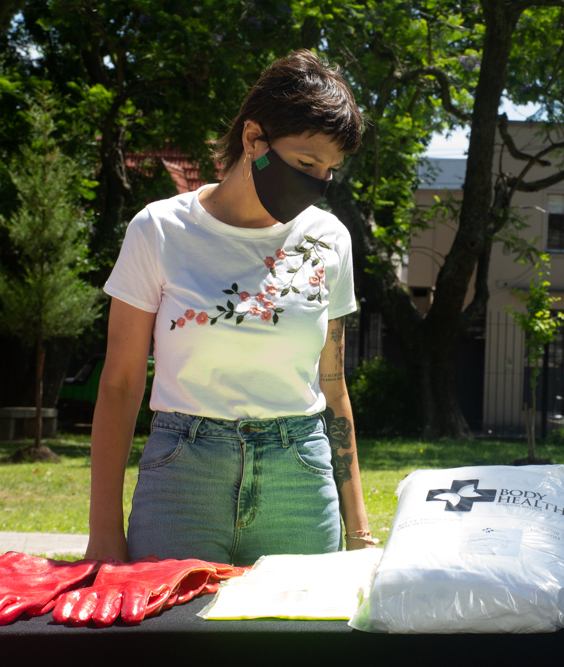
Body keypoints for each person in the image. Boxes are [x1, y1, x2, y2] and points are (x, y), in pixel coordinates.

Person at [85, 50, 373, 566]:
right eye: (307, 163)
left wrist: (359, 529)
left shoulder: (330, 240)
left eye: (329, 171)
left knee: (296, 645)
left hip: (300, 483)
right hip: (182, 478)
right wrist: (103, 528)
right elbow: (121, 382)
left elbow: (333, 384)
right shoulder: (158, 229)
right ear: (253, 138)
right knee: (169, 644)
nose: (317, 182)